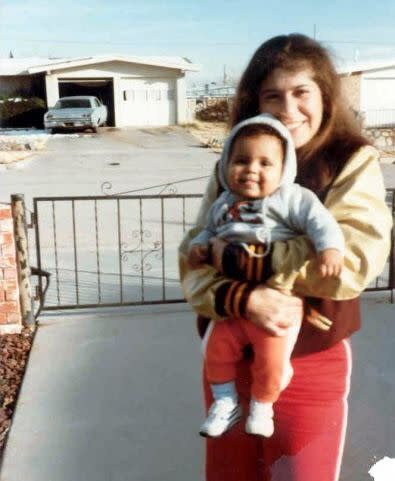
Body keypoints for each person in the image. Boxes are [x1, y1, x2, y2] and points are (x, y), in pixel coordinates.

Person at [178, 33, 392, 481]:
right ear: (255, 102)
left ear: (326, 97)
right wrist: (242, 299)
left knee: (300, 475)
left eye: (301, 93)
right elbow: (192, 260)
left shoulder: (349, 161)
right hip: (228, 365)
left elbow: (350, 264)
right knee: (229, 476)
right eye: (272, 95)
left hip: (309, 362)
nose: (288, 109)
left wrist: (238, 260)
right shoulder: (238, 162)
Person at [188, 113, 344, 439]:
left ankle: (262, 405)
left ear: (284, 169)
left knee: (272, 361)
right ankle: (225, 401)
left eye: (265, 163)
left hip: (277, 300)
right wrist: (201, 247)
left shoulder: (292, 198)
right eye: (241, 160)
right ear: (227, 164)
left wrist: (329, 248)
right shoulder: (224, 203)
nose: (251, 170)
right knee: (214, 350)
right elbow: (209, 231)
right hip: (234, 300)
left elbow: (321, 223)